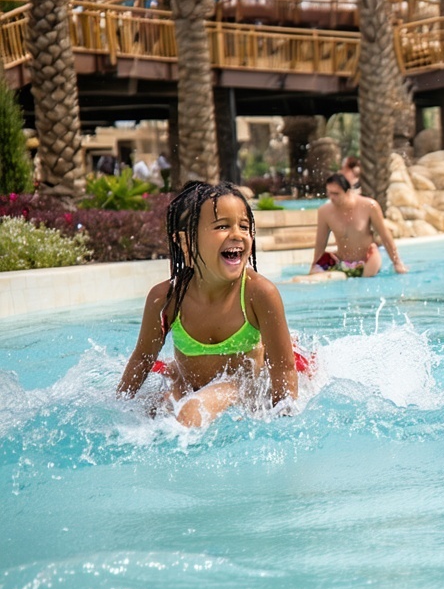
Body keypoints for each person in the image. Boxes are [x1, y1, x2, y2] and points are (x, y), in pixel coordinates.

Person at [117, 182, 300, 428]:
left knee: (193, 410)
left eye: (244, 226)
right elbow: (142, 358)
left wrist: (285, 423)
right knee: (156, 408)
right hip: (184, 383)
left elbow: (284, 369)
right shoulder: (166, 300)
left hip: (241, 389)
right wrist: (118, 405)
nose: (237, 234)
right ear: (186, 242)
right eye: (223, 226)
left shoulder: (258, 294)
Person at [309, 173, 407, 278]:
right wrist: (314, 264)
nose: (332, 198)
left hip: (368, 259)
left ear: (347, 192)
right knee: (314, 274)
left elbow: (384, 235)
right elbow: (321, 243)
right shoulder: (325, 211)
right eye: (329, 193)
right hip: (342, 261)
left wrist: (397, 262)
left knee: (365, 279)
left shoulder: (369, 206)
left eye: (336, 194)